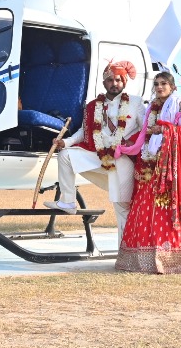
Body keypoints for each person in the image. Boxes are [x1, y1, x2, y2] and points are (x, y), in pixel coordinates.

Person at [112, 70, 181, 274]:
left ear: (173, 87)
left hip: (175, 167)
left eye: (164, 83)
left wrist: (164, 130)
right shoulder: (151, 109)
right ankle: (145, 260)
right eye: (156, 84)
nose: (159, 87)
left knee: (177, 206)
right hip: (152, 164)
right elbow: (144, 135)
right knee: (146, 208)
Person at [46, 60, 145, 226]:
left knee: (122, 208)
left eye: (118, 80)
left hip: (122, 159)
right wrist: (66, 142)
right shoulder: (93, 106)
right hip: (98, 155)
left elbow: (146, 131)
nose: (114, 84)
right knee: (65, 155)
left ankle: (126, 250)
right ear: (104, 82)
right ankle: (68, 201)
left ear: (124, 82)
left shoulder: (135, 103)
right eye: (110, 80)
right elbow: (84, 132)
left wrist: (135, 145)